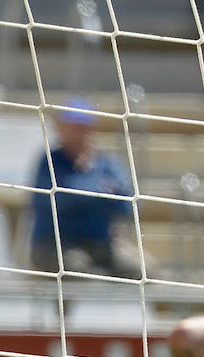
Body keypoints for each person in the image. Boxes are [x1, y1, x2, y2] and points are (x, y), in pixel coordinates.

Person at [27, 97, 139, 278]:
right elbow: (55, 200)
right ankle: (64, 308)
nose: (79, 134)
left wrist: (80, 191)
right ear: (61, 129)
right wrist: (101, 191)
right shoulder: (49, 161)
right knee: (76, 268)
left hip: (102, 243)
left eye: (84, 128)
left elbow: (129, 205)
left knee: (143, 270)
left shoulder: (107, 162)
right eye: (73, 128)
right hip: (54, 243)